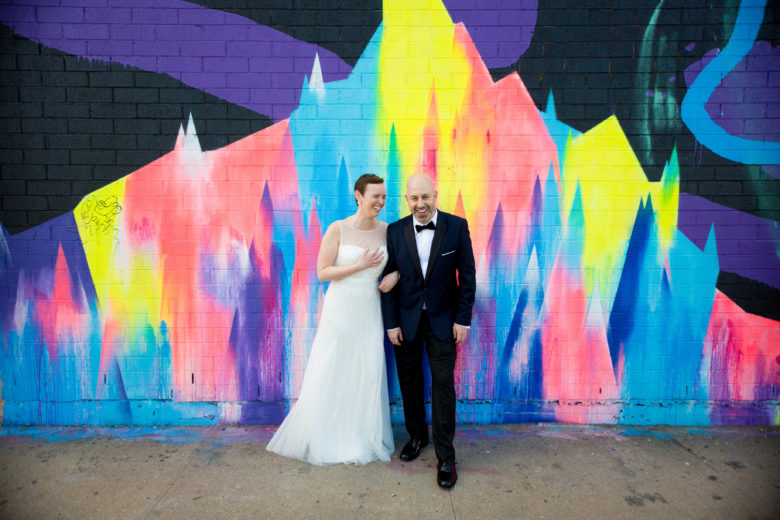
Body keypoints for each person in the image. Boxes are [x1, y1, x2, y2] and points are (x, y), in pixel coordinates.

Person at [267, 174, 399, 465]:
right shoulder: (338, 229)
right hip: (341, 309)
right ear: (358, 196)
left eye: (383, 197)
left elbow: (404, 263)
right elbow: (323, 272)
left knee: (367, 369)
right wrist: (358, 265)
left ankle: (360, 435)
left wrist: (396, 273)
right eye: (375, 196)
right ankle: (329, 434)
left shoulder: (388, 231)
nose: (380, 202)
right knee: (335, 366)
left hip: (370, 310)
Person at [381, 173, 476, 489]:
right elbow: (388, 281)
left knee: (442, 385)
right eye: (414, 198)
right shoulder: (394, 231)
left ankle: (446, 455)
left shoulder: (457, 227)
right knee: (409, 381)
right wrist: (391, 323)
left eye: (426, 197)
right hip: (406, 321)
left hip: (443, 322)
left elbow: (468, 277)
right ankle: (417, 436)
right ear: (407, 199)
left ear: (435, 195)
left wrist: (463, 320)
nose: (420, 204)